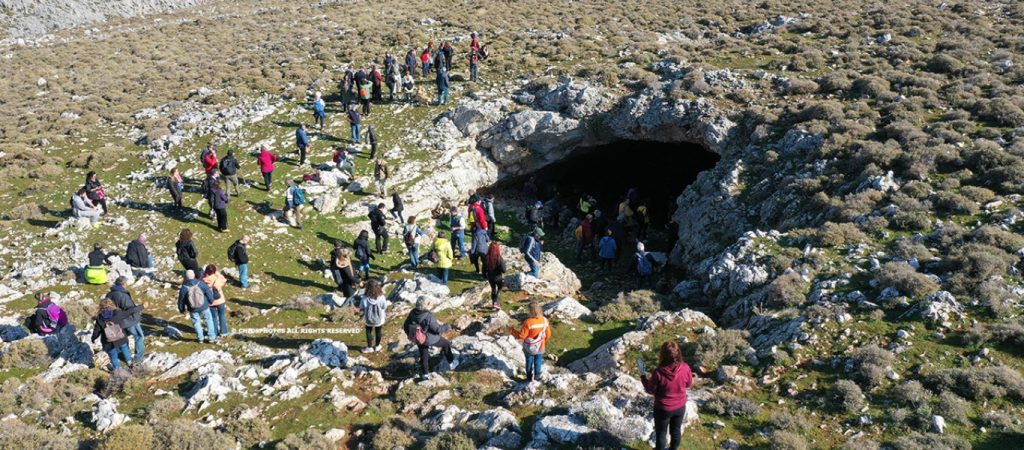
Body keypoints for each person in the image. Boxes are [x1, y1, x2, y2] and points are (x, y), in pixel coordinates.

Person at [641, 341, 694, 450]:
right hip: (680, 407)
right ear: (678, 352)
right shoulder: (685, 367)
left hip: (663, 409)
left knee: (661, 433)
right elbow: (689, 384)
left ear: (663, 354)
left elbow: (650, 390)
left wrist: (643, 377)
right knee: (676, 430)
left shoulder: (658, 372)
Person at [403, 297, 459, 379]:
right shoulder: (428, 316)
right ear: (426, 305)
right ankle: (451, 363)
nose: (431, 304)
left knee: (424, 355)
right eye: (430, 303)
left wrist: (411, 335)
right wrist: (448, 326)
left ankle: (425, 374)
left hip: (419, 339)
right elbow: (438, 329)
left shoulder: (412, 312)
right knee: (446, 344)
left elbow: (405, 326)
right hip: (430, 339)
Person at [91, 299, 140, 370]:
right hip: (120, 337)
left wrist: (93, 338)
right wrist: (141, 306)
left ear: (101, 307)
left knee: (113, 357)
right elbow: (129, 312)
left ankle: (119, 371)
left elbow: (97, 331)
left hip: (108, 342)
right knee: (125, 349)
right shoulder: (117, 313)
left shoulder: (99, 318)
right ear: (111, 304)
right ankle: (130, 364)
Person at [509, 301, 551, 383]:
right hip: (541, 345)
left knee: (529, 361)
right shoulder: (545, 320)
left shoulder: (528, 322)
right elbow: (548, 334)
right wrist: (544, 342)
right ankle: (537, 377)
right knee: (538, 361)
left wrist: (512, 331)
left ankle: (528, 378)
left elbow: (521, 336)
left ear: (530, 311)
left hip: (529, 347)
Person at [106, 276, 145, 361]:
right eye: (126, 283)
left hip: (116, 321)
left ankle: (123, 356)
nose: (127, 285)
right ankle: (138, 358)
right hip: (129, 320)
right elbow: (130, 309)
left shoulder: (109, 294)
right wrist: (141, 307)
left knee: (122, 339)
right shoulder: (122, 295)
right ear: (123, 284)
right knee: (139, 336)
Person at [177, 270, 218, 343]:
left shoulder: (184, 288)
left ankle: (200, 338)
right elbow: (208, 292)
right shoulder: (200, 283)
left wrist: (181, 309)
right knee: (208, 320)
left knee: (196, 322)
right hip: (204, 306)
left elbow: (181, 300)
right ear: (194, 275)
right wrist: (211, 301)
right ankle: (211, 337)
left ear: (185, 277)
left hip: (192, 309)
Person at [354, 279, 389, 353]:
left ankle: (369, 347)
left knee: (368, 331)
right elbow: (384, 307)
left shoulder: (365, 298)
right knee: (378, 331)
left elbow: (361, 307)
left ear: (367, 288)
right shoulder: (381, 297)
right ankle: (377, 346)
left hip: (368, 318)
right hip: (379, 318)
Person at [202, 264, 229, 337]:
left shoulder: (203, 279)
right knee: (222, 315)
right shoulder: (218, 279)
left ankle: (215, 332)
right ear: (214, 271)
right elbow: (224, 279)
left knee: (213, 317)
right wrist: (216, 273)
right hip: (220, 300)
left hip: (210, 301)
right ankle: (224, 332)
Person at [483, 242, 505, 309]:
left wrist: (484, 276)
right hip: (498, 277)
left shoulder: (486, 258)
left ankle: (493, 304)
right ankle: (496, 302)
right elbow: (504, 269)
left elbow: (484, 268)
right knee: (500, 288)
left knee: (493, 289)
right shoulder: (499, 258)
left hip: (490, 277)